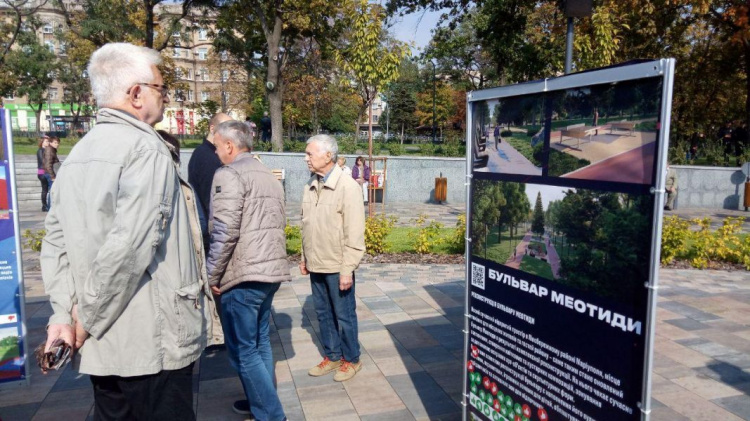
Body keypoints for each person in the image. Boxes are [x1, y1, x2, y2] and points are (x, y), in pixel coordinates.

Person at [40, 42, 212, 420]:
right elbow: (130, 248)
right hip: (150, 342)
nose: (166, 99)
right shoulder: (145, 150)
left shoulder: (79, 153)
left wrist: (62, 316)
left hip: (104, 347)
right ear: (136, 93)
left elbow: (55, 244)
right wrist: (83, 322)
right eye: (161, 89)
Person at [207, 120, 290, 421]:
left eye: (216, 146)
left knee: (244, 351)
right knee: (260, 343)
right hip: (269, 272)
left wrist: (211, 276)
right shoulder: (267, 174)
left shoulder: (229, 174)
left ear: (229, 145)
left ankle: (270, 414)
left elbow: (223, 231)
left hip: (243, 275)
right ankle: (260, 404)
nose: (216, 153)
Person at [300, 135, 365, 382]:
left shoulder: (347, 187)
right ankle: (333, 355)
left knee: (344, 315)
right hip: (316, 263)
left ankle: (352, 359)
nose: (306, 158)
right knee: (323, 314)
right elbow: (305, 223)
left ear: (328, 156)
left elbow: (355, 233)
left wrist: (347, 268)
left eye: (310, 154)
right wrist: (304, 257)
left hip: (338, 266)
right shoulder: (310, 184)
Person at [43, 136, 60, 210]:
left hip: (51, 173)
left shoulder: (52, 150)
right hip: (50, 174)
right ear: (50, 143)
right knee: (52, 191)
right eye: (55, 143)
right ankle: (51, 208)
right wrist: (52, 176)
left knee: (52, 191)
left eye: (58, 143)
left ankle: (52, 208)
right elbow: (48, 164)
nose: (57, 144)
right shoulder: (49, 150)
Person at [36, 136, 50, 212]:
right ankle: (44, 206)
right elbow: (42, 161)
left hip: (43, 171)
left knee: (45, 189)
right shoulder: (41, 150)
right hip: (42, 172)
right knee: (45, 189)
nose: (48, 143)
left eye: (48, 141)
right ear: (42, 142)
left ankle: (45, 205)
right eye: (46, 141)